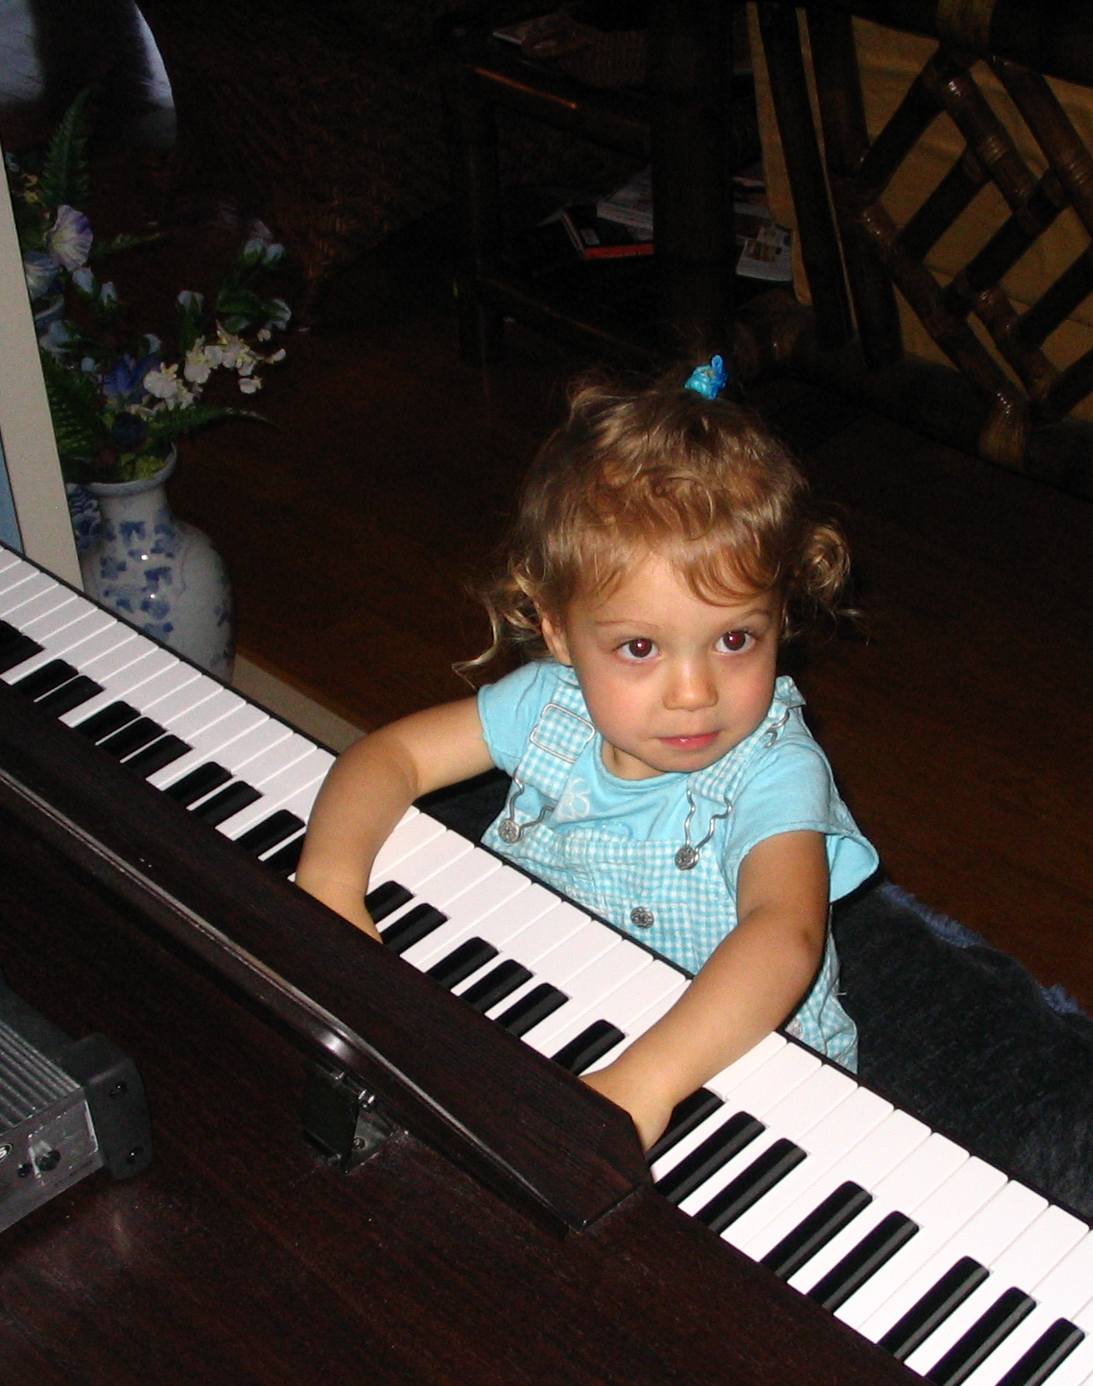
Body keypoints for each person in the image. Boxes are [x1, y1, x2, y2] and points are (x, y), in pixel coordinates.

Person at [296, 359, 875, 1150]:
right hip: (550, 980)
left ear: (781, 615)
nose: (694, 693)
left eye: (736, 639)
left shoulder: (773, 764)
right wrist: (330, 883)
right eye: (640, 647)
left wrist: (647, 1084)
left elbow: (784, 935)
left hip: (726, 1052)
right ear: (559, 631)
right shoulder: (549, 703)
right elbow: (390, 757)